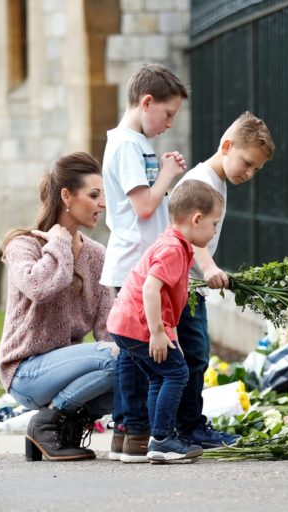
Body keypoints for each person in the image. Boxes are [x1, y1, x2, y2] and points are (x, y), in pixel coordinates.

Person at [98, 64, 190, 462]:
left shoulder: (136, 144)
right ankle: (134, 431)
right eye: (167, 114)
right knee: (136, 358)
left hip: (141, 262)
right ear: (146, 102)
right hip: (135, 263)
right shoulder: (125, 146)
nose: (169, 123)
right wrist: (168, 174)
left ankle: (131, 433)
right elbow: (144, 205)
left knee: (136, 358)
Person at [0, 152, 115, 462]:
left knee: (133, 366)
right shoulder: (23, 245)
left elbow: (107, 330)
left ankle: (62, 429)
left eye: (102, 195)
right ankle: (47, 423)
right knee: (117, 359)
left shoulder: (97, 255)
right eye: (94, 195)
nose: (102, 204)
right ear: (67, 196)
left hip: (66, 371)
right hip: (26, 372)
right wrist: (60, 242)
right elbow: (41, 288)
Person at [172, 112, 275, 448]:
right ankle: (186, 427)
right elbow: (189, 236)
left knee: (194, 354)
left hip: (191, 284)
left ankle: (185, 424)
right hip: (184, 284)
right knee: (195, 355)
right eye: (247, 163)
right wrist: (210, 267)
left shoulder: (216, 181)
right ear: (227, 146)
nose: (249, 173)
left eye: (256, 170)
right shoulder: (201, 182)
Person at [107, 180, 224, 463]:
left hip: (125, 324)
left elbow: (169, 301)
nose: (214, 231)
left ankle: (159, 437)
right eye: (213, 224)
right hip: (137, 325)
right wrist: (158, 333)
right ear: (196, 219)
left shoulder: (176, 243)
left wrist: (171, 336)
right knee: (177, 374)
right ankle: (162, 440)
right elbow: (150, 289)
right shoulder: (173, 249)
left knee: (162, 374)